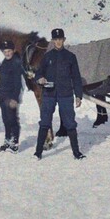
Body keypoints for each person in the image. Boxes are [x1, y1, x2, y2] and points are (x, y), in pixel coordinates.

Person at [34, 28, 85, 160]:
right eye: (55, 39)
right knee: (45, 122)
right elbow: (39, 73)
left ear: (64, 40)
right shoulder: (47, 57)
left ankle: (76, 153)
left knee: (70, 123)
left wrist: (78, 95)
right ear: (52, 40)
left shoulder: (70, 57)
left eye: (60, 39)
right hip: (49, 94)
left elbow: (76, 78)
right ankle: (38, 153)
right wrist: (40, 79)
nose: (58, 42)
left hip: (65, 94)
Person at [0, 40, 27, 153]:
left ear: (13, 51)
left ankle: (14, 142)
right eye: (5, 51)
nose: (7, 53)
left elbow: (18, 83)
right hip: (3, 95)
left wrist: (15, 98)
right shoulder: (5, 62)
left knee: (12, 119)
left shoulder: (15, 62)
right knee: (5, 119)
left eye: (9, 51)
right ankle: (7, 140)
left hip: (11, 96)